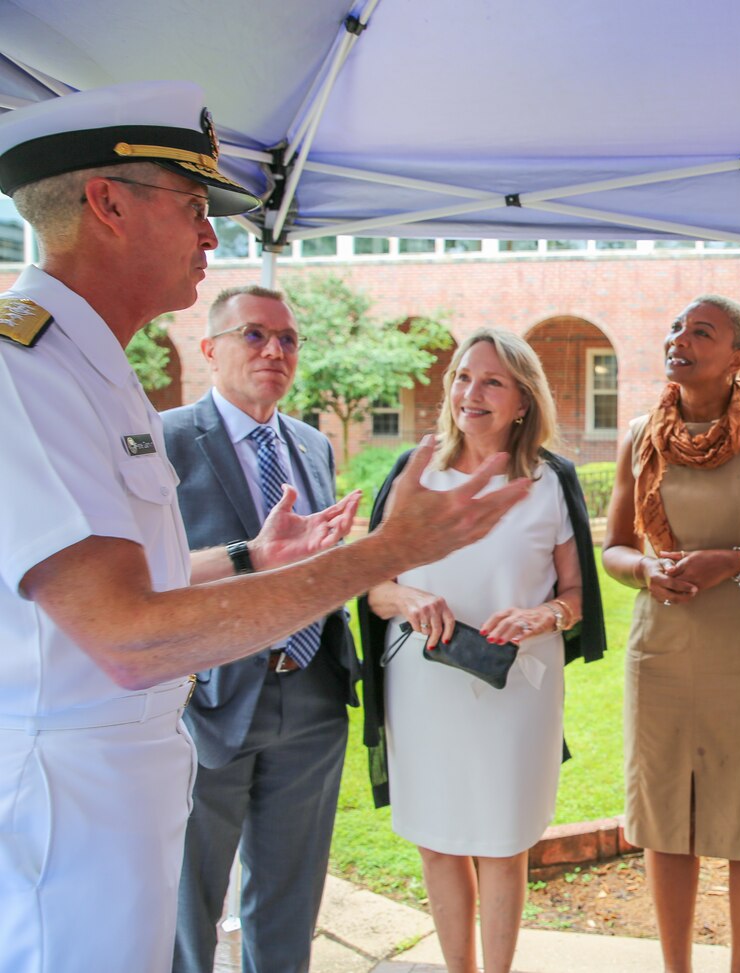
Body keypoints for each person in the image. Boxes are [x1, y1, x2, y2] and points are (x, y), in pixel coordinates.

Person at [0, 81, 528, 971]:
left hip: (123, 785)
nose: (212, 235)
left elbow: (138, 581)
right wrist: (384, 555)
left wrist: (249, 556)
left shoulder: (94, 365)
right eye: (195, 206)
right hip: (70, 808)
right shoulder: (29, 372)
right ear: (107, 203)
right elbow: (125, 639)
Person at [360, 328, 605, 973]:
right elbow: (371, 584)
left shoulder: (551, 482)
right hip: (423, 686)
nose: (472, 393)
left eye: (492, 381)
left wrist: (541, 614)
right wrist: (410, 602)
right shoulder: (417, 472)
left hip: (516, 686)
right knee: (437, 843)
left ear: (523, 400)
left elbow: (579, 594)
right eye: (464, 378)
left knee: (502, 842)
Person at [601, 294, 740, 973]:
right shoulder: (639, 434)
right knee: (666, 817)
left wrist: (734, 561)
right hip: (661, 651)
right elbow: (614, 548)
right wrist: (646, 570)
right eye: (675, 327)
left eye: (701, 331)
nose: (679, 337)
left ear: (739, 356)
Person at [163, 285, 358, 973]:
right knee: (189, 901)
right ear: (210, 348)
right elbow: (151, 572)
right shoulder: (166, 440)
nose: (275, 349)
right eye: (254, 335)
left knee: (290, 897)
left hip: (310, 695)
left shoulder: (311, 442)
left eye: (288, 338)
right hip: (210, 702)